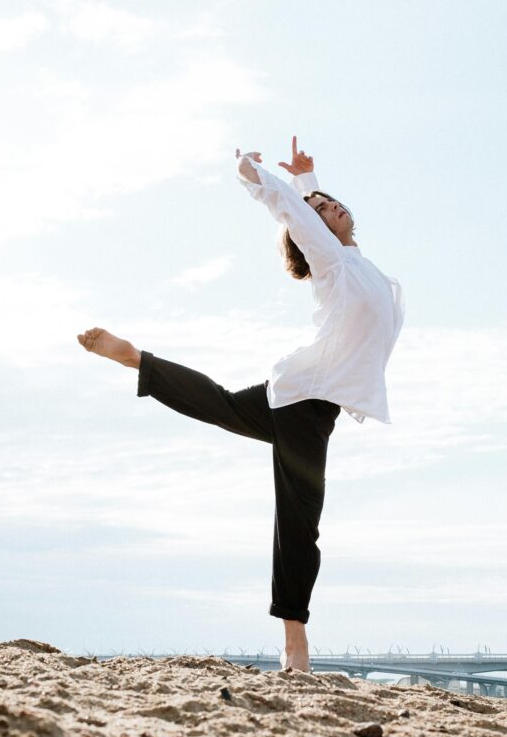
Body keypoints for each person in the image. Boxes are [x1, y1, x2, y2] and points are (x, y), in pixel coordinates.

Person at [77, 136, 404, 671]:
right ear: (311, 233)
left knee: (222, 405)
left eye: (332, 204)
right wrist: (256, 176)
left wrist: (309, 182)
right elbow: (292, 215)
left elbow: (315, 218)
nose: (332, 208)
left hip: (303, 397)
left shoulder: (354, 261)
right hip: (306, 403)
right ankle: (294, 642)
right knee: (300, 519)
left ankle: (139, 361)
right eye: (320, 210)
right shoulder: (331, 262)